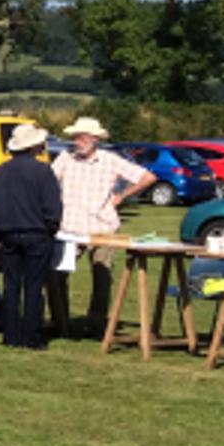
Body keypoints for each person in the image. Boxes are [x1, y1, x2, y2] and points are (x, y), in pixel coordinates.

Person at [49, 117, 155, 337]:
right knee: (56, 275)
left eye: (82, 137)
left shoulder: (110, 160)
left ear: (94, 139)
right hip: (70, 227)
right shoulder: (65, 158)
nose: (77, 141)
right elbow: (48, 181)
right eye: (76, 137)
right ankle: (61, 323)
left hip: (103, 227)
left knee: (102, 276)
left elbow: (147, 177)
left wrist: (121, 196)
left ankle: (96, 324)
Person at [0, 125, 61, 350]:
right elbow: (53, 207)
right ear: (33, 146)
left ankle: (11, 334)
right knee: (34, 286)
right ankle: (32, 336)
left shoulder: (1, 171)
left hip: (9, 233)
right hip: (37, 233)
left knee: (11, 285)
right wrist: (51, 227)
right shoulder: (42, 171)